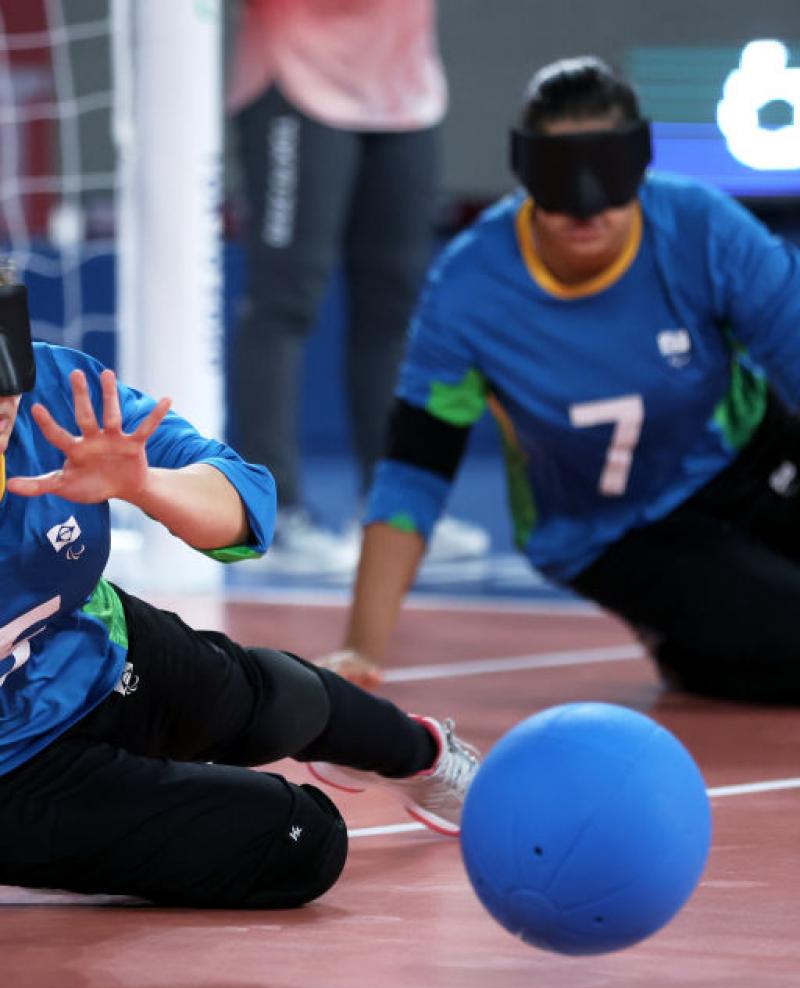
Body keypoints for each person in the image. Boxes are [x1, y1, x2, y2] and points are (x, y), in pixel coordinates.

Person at [319, 56, 800, 705]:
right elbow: (414, 472)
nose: (585, 202)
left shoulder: (703, 230)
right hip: (615, 532)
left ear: (640, 163)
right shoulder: (471, 290)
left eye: (607, 168)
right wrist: (361, 649)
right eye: (557, 173)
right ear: (524, 170)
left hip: (751, 455)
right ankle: (694, 648)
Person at [0, 265, 479, 909]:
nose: (4, 403)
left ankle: (424, 756)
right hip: (13, 773)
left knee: (284, 702)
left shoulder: (62, 398)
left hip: (84, 649)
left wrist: (144, 485)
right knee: (300, 841)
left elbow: (247, 504)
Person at [227, 0, 488, 573]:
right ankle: (270, 515)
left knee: (394, 306)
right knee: (283, 302)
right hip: (296, 81)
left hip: (404, 95)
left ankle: (392, 509)